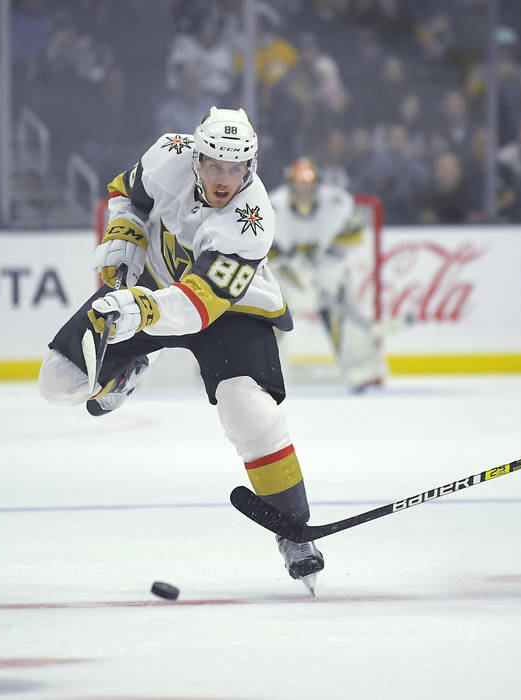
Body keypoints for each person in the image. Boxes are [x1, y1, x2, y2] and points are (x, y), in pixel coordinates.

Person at [37, 107, 325, 594]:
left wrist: (139, 310)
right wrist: (124, 236)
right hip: (150, 287)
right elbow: (127, 195)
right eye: (216, 165)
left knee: (248, 412)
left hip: (229, 313)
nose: (225, 179)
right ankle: (128, 368)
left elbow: (199, 306)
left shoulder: (252, 220)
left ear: (250, 167)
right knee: (58, 381)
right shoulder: (168, 153)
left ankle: (294, 534)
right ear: (197, 158)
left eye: (237, 169)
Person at [268, 157, 388, 392]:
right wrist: (286, 263)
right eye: (298, 183)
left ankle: (362, 371)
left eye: (308, 182)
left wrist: (329, 253)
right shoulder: (273, 206)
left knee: (341, 301)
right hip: (288, 274)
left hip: (325, 269)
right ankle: (256, 370)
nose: (303, 188)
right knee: (267, 309)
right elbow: (262, 247)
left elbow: (354, 235)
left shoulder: (338, 203)